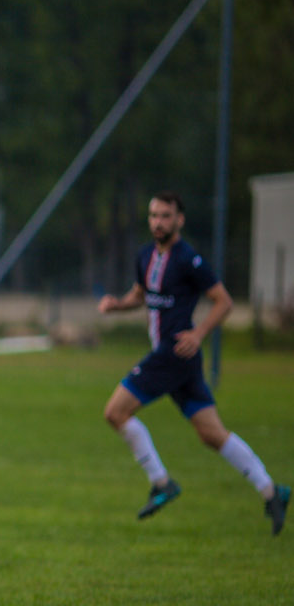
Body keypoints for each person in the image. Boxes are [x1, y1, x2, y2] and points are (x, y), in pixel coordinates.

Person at [98, 191, 288, 534]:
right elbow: (140, 295)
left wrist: (199, 333)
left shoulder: (189, 259)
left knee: (115, 412)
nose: (158, 222)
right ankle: (271, 491)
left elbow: (223, 301)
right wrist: (117, 305)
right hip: (179, 361)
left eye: (165, 216)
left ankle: (161, 482)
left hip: (173, 353)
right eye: (154, 215)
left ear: (179, 220)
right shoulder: (145, 255)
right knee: (211, 434)